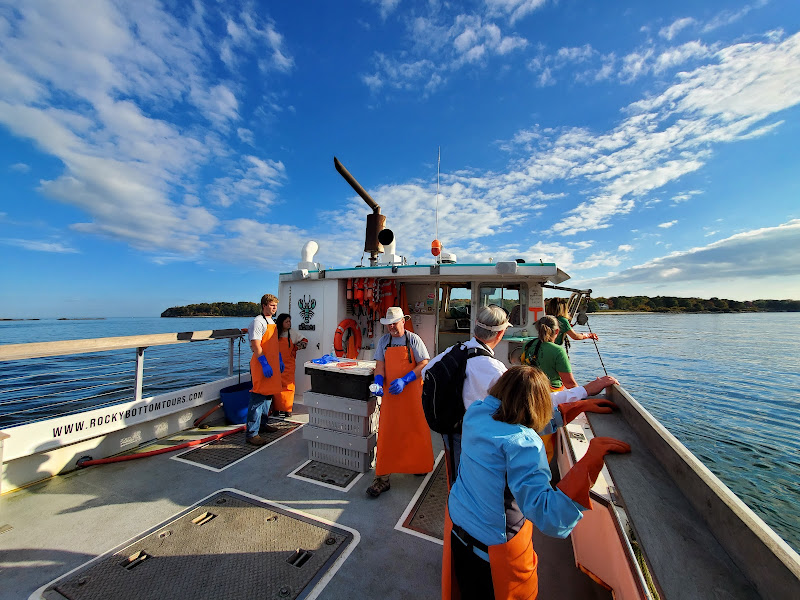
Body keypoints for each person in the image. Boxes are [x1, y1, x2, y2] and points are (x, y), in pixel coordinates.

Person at [444, 366, 631, 600]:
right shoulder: (523, 444)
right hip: (494, 555)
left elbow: (507, 424)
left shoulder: (476, 413)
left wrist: (572, 409)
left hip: (460, 535)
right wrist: (589, 462)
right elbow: (548, 514)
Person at [422, 305, 511, 487]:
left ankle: (456, 504)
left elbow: (425, 372)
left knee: (456, 474)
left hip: (449, 426)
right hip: (475, 436)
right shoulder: (495, 369)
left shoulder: (456, 350)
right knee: (473, 481)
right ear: (500, 334)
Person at [367, 306, 432, 497]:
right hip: (391, 398)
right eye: (388, 325)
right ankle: (382, 479)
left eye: (394, 323)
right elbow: (379, 365)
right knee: (388, 433)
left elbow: (425, 362)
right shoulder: (384, 342)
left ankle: (418, 465)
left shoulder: (413, 340)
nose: (392, 328)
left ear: (403, 321)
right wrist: (379, 381)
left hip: (411, 395)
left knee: (414, 430)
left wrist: (406, 379)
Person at [245, 294, 284, 446]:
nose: (275, 308)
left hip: (272, 364)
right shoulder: (258, 322)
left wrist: (279, 358)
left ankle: (263, 424)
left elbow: (273, 343)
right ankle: (251, 433)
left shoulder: (271, 321)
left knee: (268, 397)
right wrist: (264, 363)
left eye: (276, 306)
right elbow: (256, 345)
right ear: (264, 305)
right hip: (262, 365)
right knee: (257, 397)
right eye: (272, 305)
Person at [524, 315, 578, 390]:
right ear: (557, 331)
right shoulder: (558, 351)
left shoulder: (527, 345)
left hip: (531, 390)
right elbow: (569, 384)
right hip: (551, 393)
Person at [272, 313, 307, 418]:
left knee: (289, 386)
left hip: (289, 364)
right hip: (276, 364)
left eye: (290, 321)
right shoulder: (274, 333)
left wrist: (296, 348)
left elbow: (305, 341)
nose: (289, 323)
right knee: (276, 386)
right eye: (286, 321)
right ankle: (276, 408)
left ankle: (287, 409)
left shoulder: (293, 333)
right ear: (281, 322)